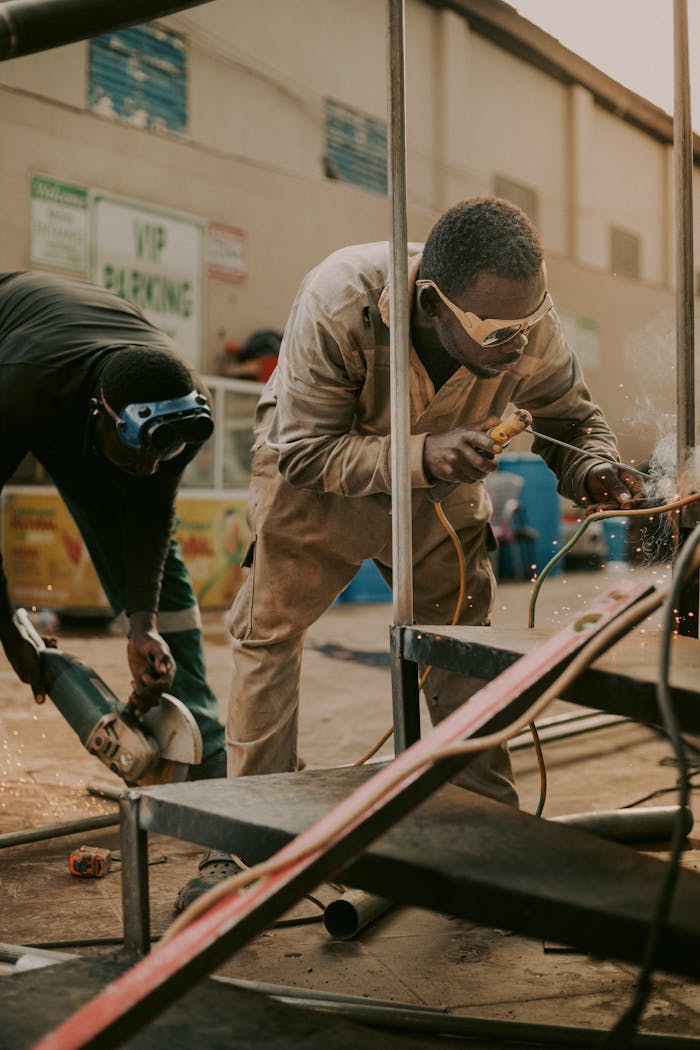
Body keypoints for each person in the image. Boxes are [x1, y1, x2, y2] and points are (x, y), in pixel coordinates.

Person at [176, 197, 645, 906]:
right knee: (267, 640)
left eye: (529, 321)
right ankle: (249, 837)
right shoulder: (341, 299)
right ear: (429, 303)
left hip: (440, 496)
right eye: (497, 331)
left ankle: (489, 832)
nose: (517, 344)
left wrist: (594, 469)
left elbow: (569, 416)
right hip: (319, 487)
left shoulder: (522, 320)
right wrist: (420, 454)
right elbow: (304, 448)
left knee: (463, 654)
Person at [0, 271, 227, 779]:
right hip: (20, 352)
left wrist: (141, 624)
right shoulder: (20, 388)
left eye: (158, 459)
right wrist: (10, 636)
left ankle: (200, 740)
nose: (149, 470)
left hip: (74, 367)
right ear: (101, 417)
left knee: (149, 549)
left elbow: (150, 517)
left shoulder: (182, 406)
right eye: (134, 455)